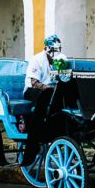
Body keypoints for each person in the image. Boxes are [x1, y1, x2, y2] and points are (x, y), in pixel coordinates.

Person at [21, 34, 66, 165]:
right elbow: (34, 82)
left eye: (57, 50)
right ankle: (35, 136)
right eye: (52, 50)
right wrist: (49, 88)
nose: (55, 53)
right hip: (33, 91)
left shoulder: (60, 60)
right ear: (47, 49)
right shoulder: (37, 60)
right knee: (46, 96)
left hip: (51, 91)